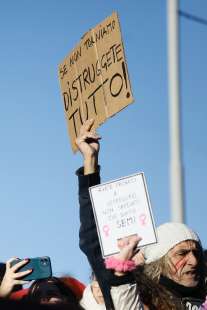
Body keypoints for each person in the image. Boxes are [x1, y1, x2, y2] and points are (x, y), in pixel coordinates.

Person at [75, 119, 207, 310]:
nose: (194, 261)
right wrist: (90, 162)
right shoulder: (139, 302)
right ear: (158, 262)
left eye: (196, 253)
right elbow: (94, 241)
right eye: (182, 253)